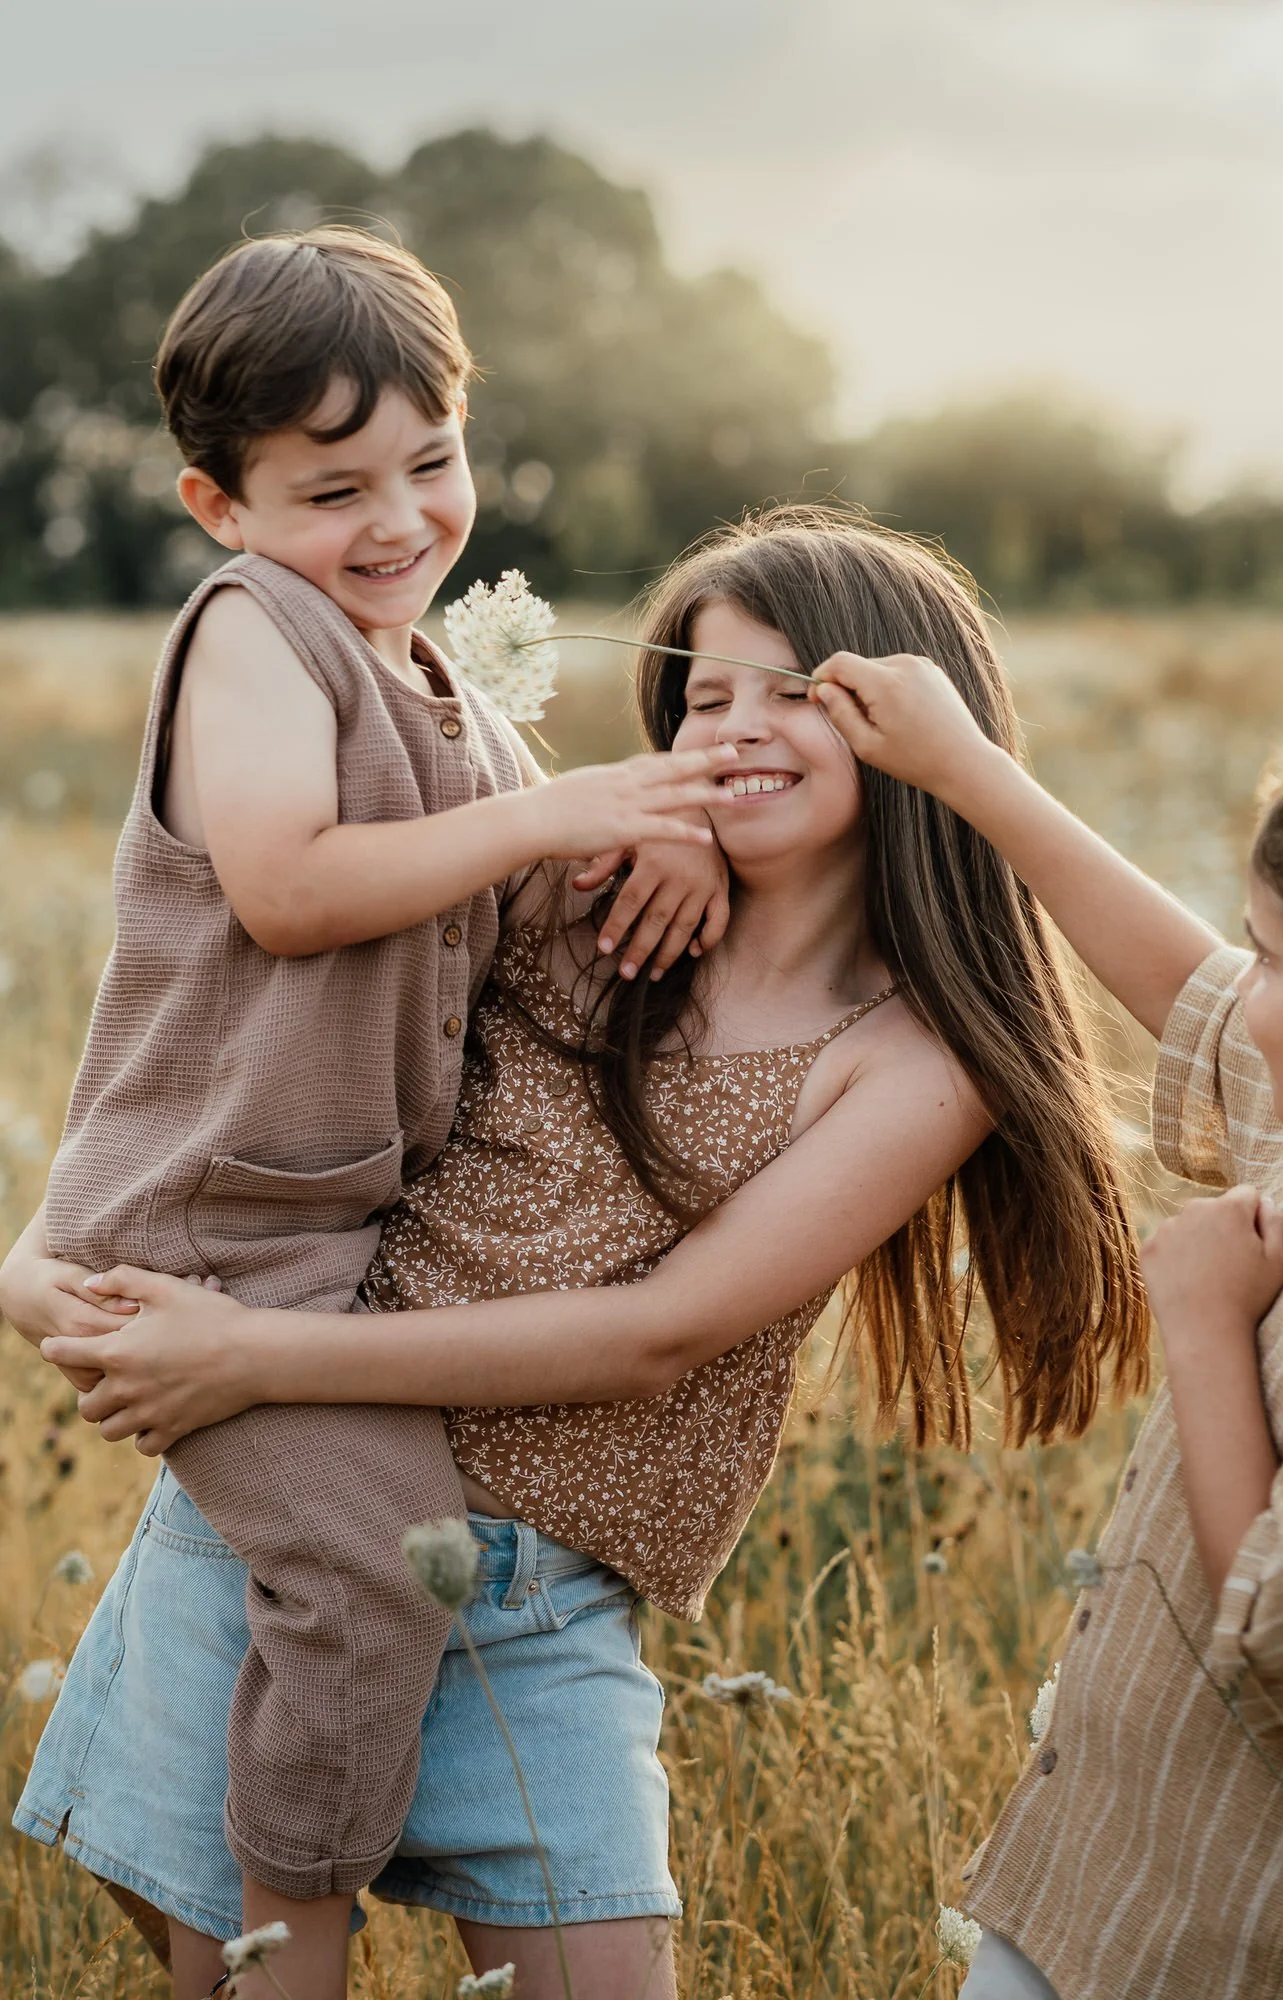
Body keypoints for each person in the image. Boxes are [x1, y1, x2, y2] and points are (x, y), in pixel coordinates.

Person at [8, 509, 1148, 2000]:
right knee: (245, 1969)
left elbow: (660, 1333)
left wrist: (250, 1352)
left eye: (795, 690)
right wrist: (55, 1256)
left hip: (538, 1598)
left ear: (907, 720)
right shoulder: (575, 882)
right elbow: (249, 1028)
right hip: (296, 1534)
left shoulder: (915, 1060)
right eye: (703, 693)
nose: (733, 726)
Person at [5, 224, 734, 1992]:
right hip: (203, 1235)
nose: (400, 520)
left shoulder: (448, 693)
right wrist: (565, 817)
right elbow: (288, 882)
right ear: (218, 506)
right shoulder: (252, 631)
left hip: (322, 1247)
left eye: (433, 462)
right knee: (390, 1560)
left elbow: (509, 907)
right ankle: (290, 1922)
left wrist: (661, 849)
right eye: (335, 488)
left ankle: (256, 1888)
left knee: (375, 1553)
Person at [806, 647, 1283, 1999]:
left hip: (1230, 1937)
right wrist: (966, 771)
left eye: (1276, 955)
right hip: (1110, 1872)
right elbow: (1196, 1002)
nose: (1242, 988)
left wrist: (1204, 1327)